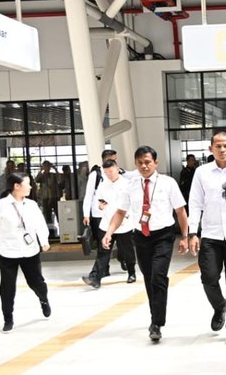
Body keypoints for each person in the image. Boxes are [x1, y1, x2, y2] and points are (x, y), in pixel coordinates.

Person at [102, 146, 189, 341]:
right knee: (150, 279)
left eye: (148, 162)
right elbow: (120, 212)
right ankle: (155, 318)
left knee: (158, 276)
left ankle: (156, 323)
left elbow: (180, 211)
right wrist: (109, 232)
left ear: (155, 163)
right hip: (141, 236)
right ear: (135, 164)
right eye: (140, 162)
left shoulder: (168, 183)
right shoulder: (130, 186)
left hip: (163, 236)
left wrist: (184, 236)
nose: (144, 165)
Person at [188, 131, 226, 346]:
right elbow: (195, 203)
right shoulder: (202, 173)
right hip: (211, 235)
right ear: (211, 149)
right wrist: (192, 232)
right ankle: (219, 306)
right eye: (218, 146)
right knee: (209, 278)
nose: (222, 150)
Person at [0, 173, 51, 333]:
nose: (31, 187)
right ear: (16, 186)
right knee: (7, 287)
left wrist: (44, 241)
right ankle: (8, 318)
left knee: (36, 282)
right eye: (27, 184)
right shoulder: (0, 205)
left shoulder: (31, 205)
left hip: (30, 251)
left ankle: (43, 299)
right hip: (8, 252)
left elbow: (40, 224)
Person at [81, 160, 136, 288]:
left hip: (124, 223)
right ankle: (95, 278)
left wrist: (129, 216)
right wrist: (99, 206)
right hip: (107, 222)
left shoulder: (127, 184)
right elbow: (96, 200)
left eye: (111, 171)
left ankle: (131, 272)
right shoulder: (102, 185)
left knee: (127, 251)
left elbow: (133, 204)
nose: (109, 175)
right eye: (106, 173)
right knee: (103, 251)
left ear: (117, 169)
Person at [83, 150, 120, 257]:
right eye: (114, 159)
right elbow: (88, 195)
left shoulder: (119, 172)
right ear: (107, 159)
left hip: (115, 212)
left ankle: (122, 258)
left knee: (120, 239)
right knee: (102, 241)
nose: (116, 161)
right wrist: (86, 214)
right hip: (99, 213)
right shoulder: (96, 174)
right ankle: (104, 268)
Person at [35, 161, 61, 225]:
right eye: (45, 166)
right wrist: (41, 171)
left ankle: (60, 224)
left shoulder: (53, 175)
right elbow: (36, 180)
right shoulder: (42, 175)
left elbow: (59, 179)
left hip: (54, 195)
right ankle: (48, 225)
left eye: (48, 166)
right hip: (45, 196)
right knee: (47, 212)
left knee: (57, 211)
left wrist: (55, 169)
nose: (47, 168)